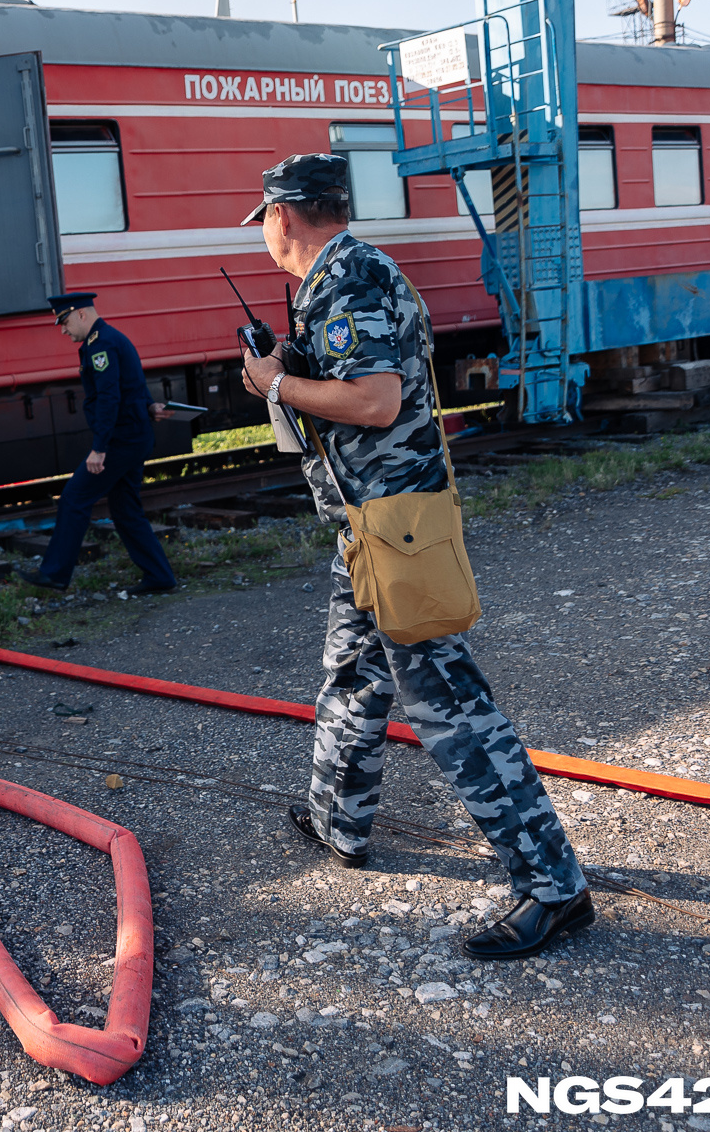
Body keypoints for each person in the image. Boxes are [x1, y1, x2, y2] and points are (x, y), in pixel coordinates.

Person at [237, 152, 591, 961]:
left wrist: (276, 385)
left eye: (262, 219)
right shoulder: (335, 282)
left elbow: (375, 399)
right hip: (367, 533)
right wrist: (291, 367)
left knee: (452, 711)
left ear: (282, 216)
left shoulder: (352, 279)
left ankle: (553, 888)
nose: (263, 233)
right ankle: (339, 821)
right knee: (355, 679)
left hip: (394, 535)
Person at [18, 292, 178, 596]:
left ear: (80, 314)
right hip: (133, 436)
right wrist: (148, 407)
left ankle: (54, 573)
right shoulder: (110, 338)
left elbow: (109, 397)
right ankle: (160, 577)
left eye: (64, 321)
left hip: (121, 441)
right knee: (126, 510)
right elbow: (132, 384)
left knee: (75, 498)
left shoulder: (101, 345)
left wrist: (100, 447)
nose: (63, 330)